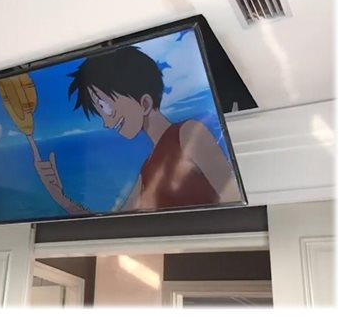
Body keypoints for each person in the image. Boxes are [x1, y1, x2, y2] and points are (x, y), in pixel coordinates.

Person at [32, 46, 241, 215]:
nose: (106, 123)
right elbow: (112, 225)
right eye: (100, 113)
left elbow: (233, 197)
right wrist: (61, 198)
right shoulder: (147, 170)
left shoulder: (188, 133)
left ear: (145, 103)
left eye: (106, 108)